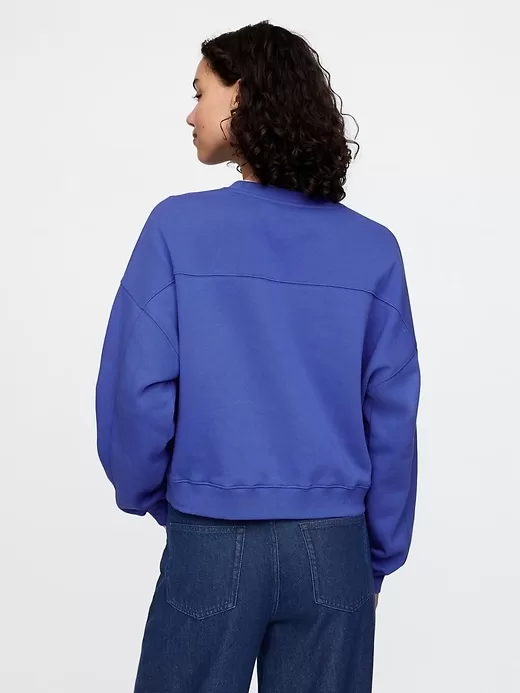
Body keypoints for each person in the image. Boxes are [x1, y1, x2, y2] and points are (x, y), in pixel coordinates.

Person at [95, 19, 421, 693]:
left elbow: (137, 390)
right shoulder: (373, 248)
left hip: (212, 536)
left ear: (242, 96)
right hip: (335, 548)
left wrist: (156, 494)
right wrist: (377, 553)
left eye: (200, 92)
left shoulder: (176, 229)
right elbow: (392, 416)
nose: (190, 113)